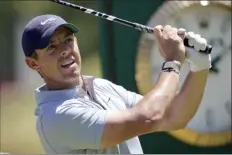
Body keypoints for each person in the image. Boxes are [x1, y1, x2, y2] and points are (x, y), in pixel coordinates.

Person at [21, 14, 212, 154]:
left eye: (68, 40)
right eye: (51, 47)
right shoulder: (55, 116)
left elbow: (174, 116)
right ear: (33, 63)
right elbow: (149, 116)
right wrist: (172, 62)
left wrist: (200, 67)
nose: (64, 50)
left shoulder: (99, 86)